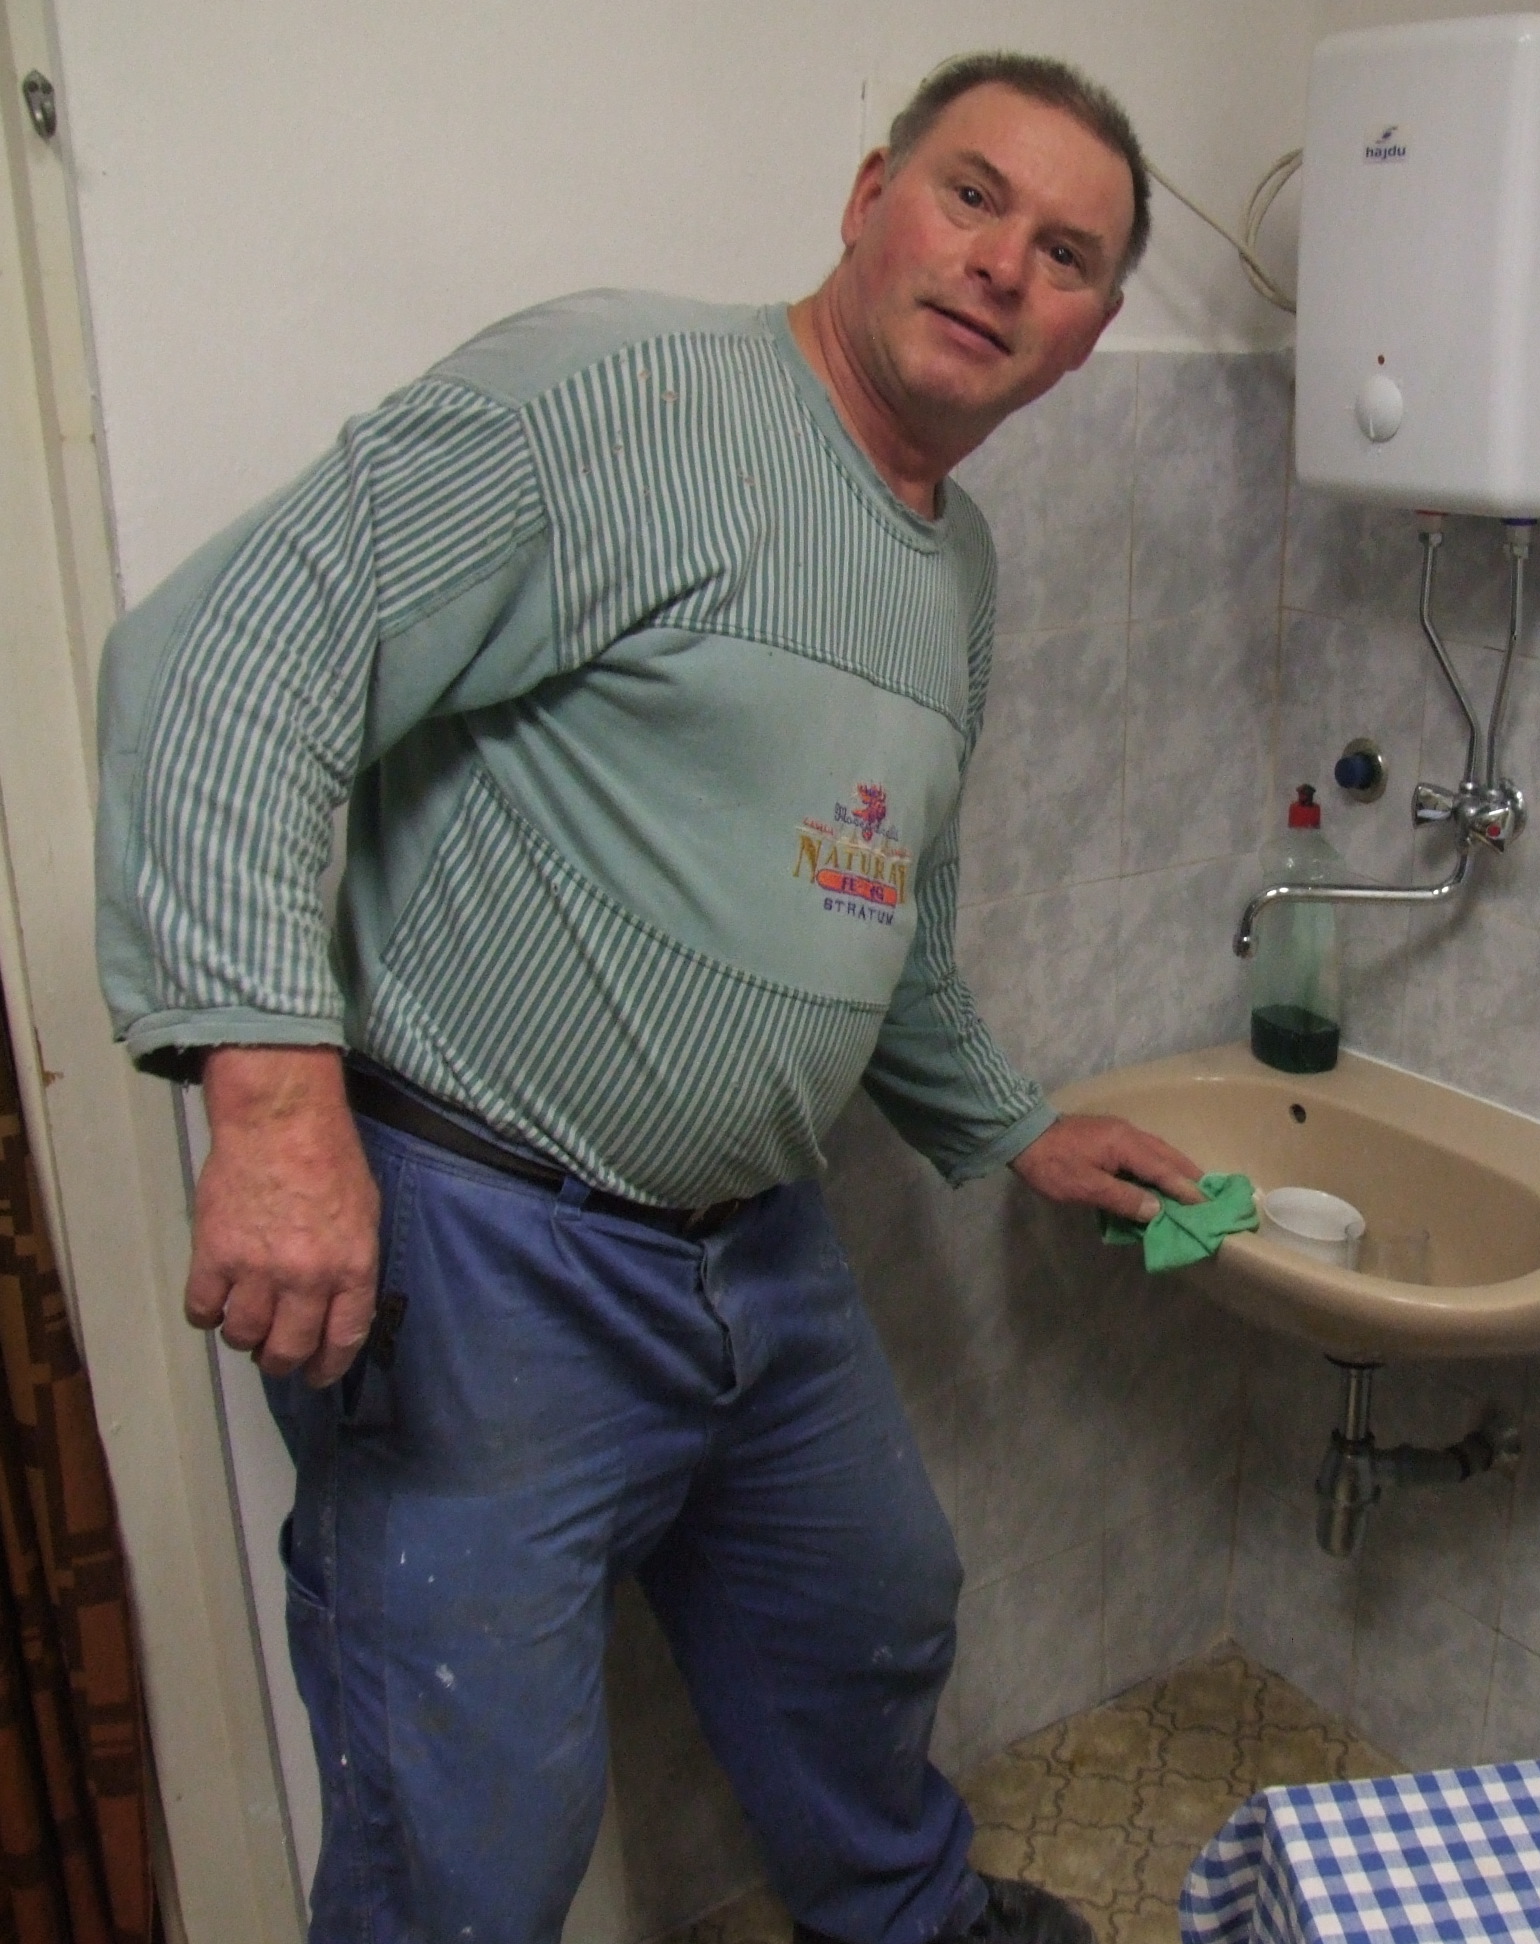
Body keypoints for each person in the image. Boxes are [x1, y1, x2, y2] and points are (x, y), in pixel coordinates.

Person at [92, 50, 1204, 1944]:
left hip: (756, 1251)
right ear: (869, 197)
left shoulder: (955, 567)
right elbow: (232, 658)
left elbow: (881, 912)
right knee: (473, 1831)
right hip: (482, 1255)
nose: (1005, 262)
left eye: (1068, 252)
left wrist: (1016, 1130)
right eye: (973, 195)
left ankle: (911, 1924)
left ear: (1087, 337)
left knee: (872, 1614)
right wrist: (271, 1112)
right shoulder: (621, 394)